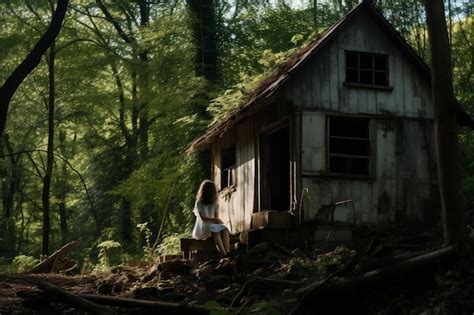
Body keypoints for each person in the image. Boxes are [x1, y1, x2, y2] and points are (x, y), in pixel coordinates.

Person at [192, 180, 231, 257]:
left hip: (213, 224)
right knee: (216, 231)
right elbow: (203, 218)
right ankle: (224, 254)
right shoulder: (199, 202)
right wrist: (216, 220)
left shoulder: (215, 203)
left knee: (224, 229)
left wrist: (218, 222)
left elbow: (216, 217)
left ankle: (228, 252)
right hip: (203, 226)